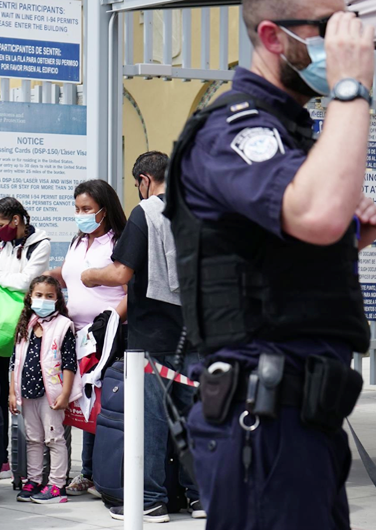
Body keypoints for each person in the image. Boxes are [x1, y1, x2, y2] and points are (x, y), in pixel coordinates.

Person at [163, 5, 375, 529]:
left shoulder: (288, 128)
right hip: (263, 415)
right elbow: (318, 213)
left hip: (303, 416)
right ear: (271, 37)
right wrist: (352, 88)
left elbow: (267, 266)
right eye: (327, 29)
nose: (344, 38)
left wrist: (347, 242)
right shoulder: (232, 128)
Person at [82, 152, 203, 523]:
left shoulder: (146, 212)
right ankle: (200, 498)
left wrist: (89, 276)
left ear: (145, 180)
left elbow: (120, 273)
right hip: (197, 333)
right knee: (194, 418)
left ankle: (150, 501)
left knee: (150, 421)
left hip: (153, 335)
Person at [45, 179, 128, 498]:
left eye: (87, 209)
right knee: (78, 400)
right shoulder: (78, 241)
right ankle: (76, 471)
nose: (80, 215)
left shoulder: (118, 241)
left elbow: (128, 290)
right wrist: (36, 277)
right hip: (74, 335)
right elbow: (66, 273)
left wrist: (111, 323)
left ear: (104, 211)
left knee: (99, 402)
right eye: (77, 209)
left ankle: (95, 471)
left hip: (104, 336)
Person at [0, 197, 52, 479]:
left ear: (16, 220)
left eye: (1, 224)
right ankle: (3, 457)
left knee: (25, 394)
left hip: (26, 328)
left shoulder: (40, 244)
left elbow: (29, 283)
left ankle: (31, 465)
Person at [9, 275, 79, 504]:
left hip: (52, 395)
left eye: (49, 296)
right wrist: (12, 392)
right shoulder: (25, 325)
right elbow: (14, 361)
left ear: (58, 299)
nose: (43, 300)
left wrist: (65, 394)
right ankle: (34, 480)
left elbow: (69, 363)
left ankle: (57, 485)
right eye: (39, 295)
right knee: (33, 439)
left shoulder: (63, 326)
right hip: (27, 393)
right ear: (30, 297)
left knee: (54, 439)